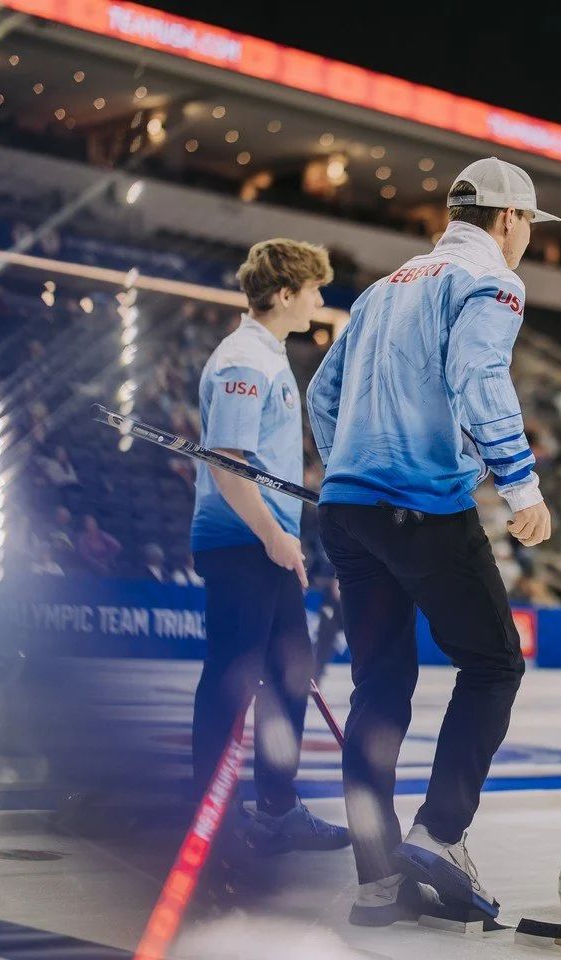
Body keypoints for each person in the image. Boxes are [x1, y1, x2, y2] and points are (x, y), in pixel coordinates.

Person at [307, 156, 555, 925]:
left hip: (348, 510)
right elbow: (480, 377)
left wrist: (349, 463)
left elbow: (323, 393)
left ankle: (377, 879)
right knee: (492, 662)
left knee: (379, 688)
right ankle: (441, 833)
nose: (526, 245)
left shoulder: (385, 288)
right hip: (423, 508)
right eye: (527, 229)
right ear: (509, 219)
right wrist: (521, 487)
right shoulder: (489, 281)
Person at [189, 238, 349, 862]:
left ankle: (278, 809)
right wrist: (272, 536)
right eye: (313, 289)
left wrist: (284, 541)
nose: (319, 299)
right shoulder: (243, 361)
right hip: (241, 542)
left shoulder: (269, 355)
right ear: (284, 294)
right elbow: (229, 467)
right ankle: (209, 818)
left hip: (268, 544)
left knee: (288, 678)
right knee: (231, 681)